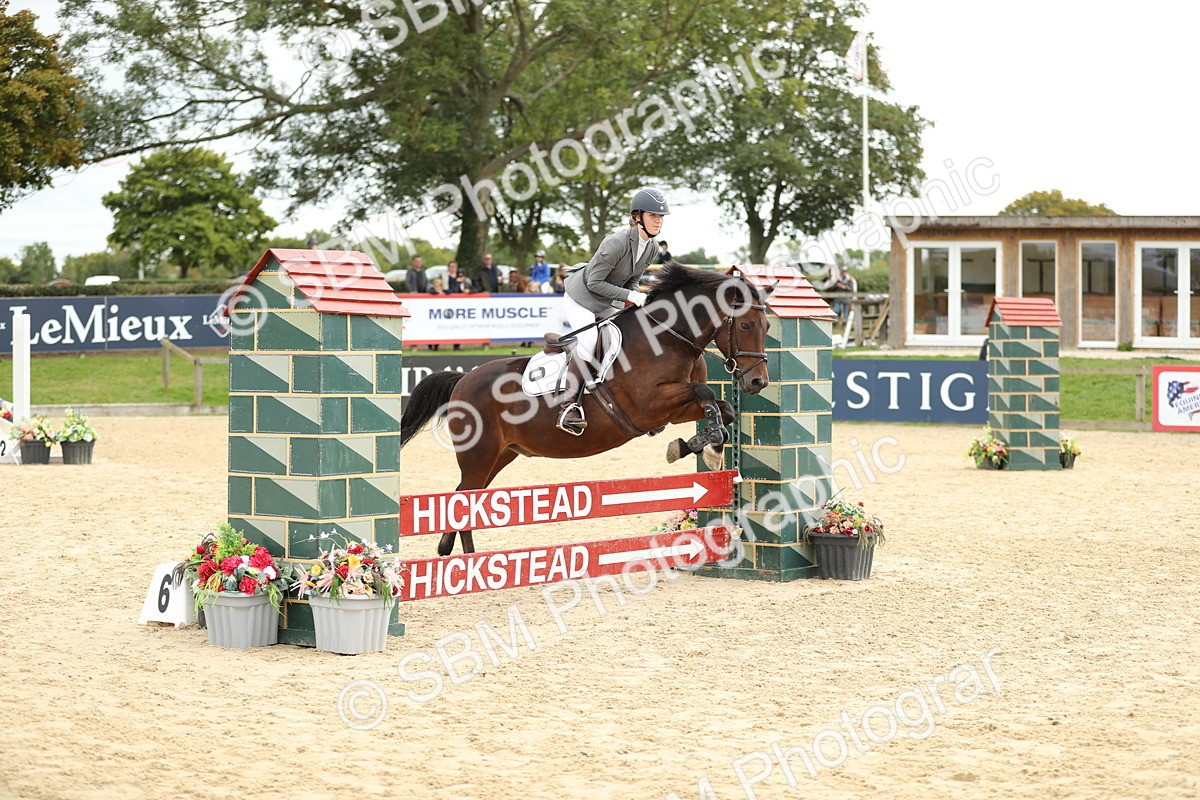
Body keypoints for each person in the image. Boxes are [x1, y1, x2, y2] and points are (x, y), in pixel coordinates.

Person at [555, 187, 668, 435]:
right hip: (581, 298)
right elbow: (594, 283)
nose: (659, 221)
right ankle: (568, 407)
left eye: (661, 216)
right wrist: (631, 296)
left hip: (607, 301)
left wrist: (635, 297)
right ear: (637, 217)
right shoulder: (616, 243)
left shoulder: (651, 247)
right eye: (653, 215)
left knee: (628, 339)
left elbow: (633, 280)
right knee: (589, 342)